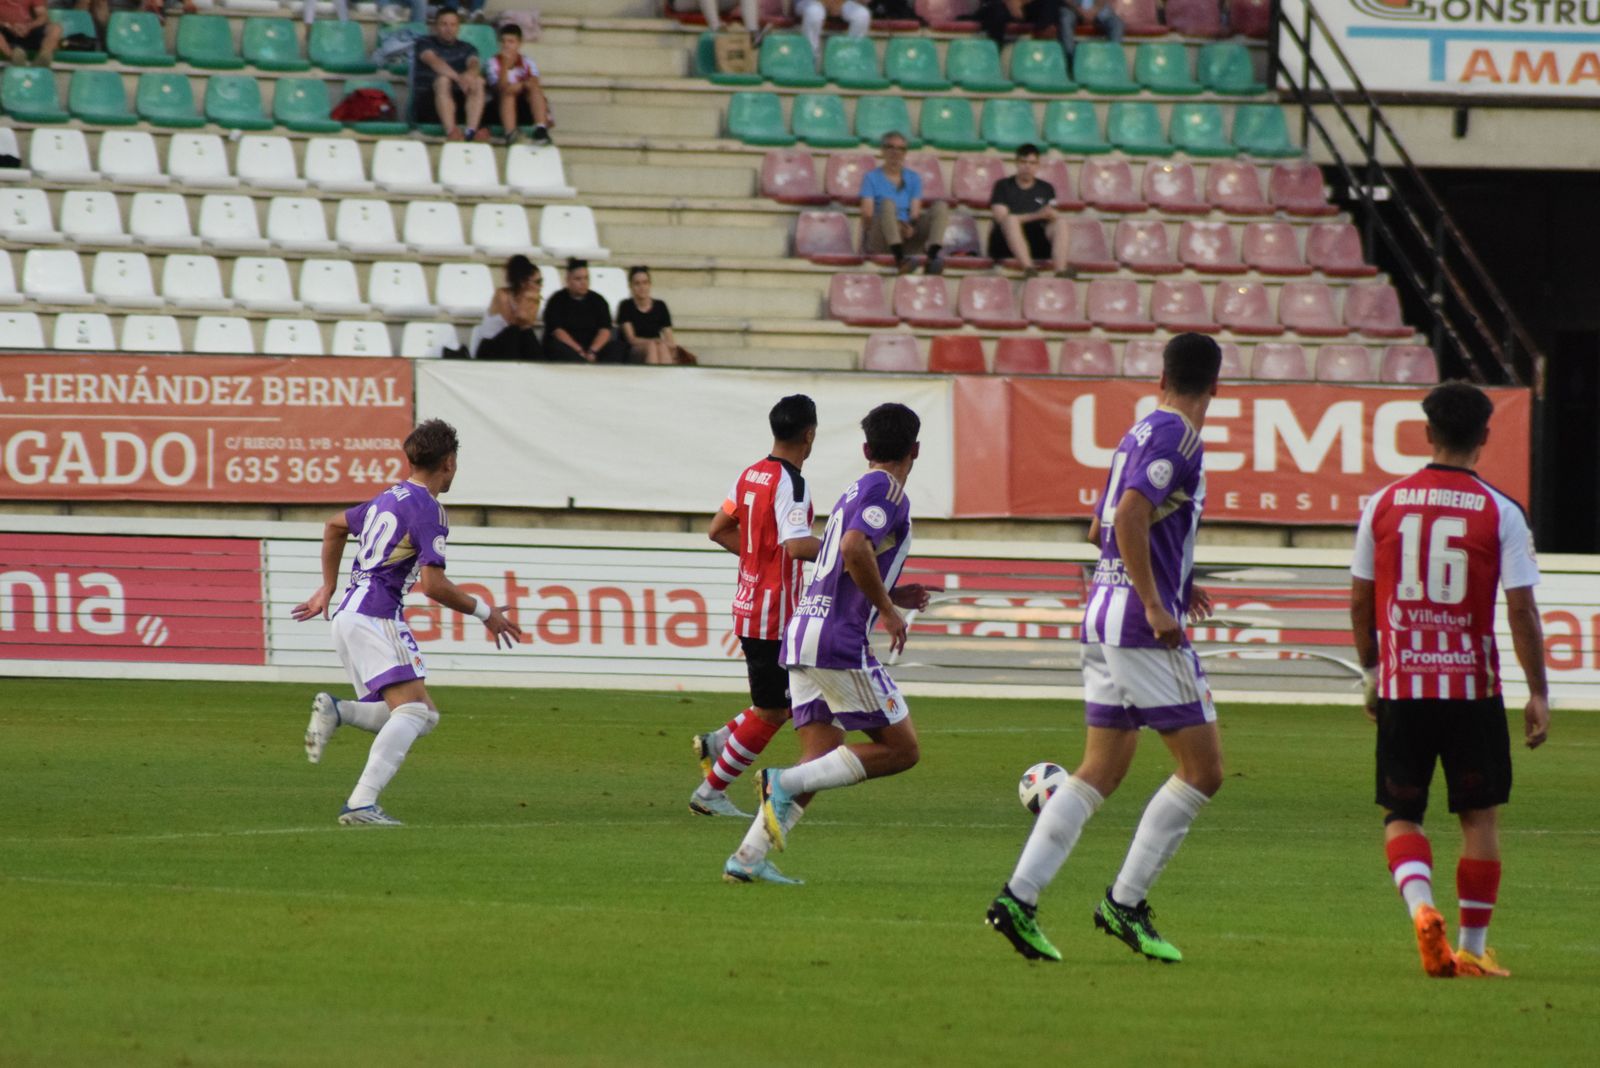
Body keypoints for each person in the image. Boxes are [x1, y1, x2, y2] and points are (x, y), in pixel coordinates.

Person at [987, 333, 1223, 964]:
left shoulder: (1140, 432)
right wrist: (1154, 600)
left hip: (1101, 614)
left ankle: (1019, 898)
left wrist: (1176, 577)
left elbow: (1101, 525)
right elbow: (1128, 518)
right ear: (1217, 387)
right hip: (1138, 625)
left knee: (1100, 770)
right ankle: (1124, 903)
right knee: (1202, 771)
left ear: (1161, 374)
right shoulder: (1180, 438)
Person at [1350, 382, 1549, 979]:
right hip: (1472, 690)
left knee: (1402, 816)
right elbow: (1521, 610)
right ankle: (1471, 946)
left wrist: (1370, 671)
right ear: (1485, 438)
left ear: (1427, 433)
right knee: (1479, 818)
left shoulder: (1383, 503)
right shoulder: (1501, 511)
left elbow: (1360, 599)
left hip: (1404, 688)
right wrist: (1538, 690)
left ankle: (1420, 908)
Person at [724, 403, 934, 884]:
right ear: (915, 450)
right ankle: (782, 782)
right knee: (903, 751)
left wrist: (890, 591)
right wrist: (885, 608)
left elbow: (844, 557)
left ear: (865, 449)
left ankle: (748, 857)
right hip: (837, 642)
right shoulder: (888, 490)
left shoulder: (855, 489)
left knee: (821, 758)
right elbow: (854, 547)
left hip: (803, 635)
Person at [293, 420, 522, 826]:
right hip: (375, 615)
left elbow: (334, 526)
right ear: (449, 463)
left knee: (419, 713)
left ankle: (338, 711)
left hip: (349, 613)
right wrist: (487, 613)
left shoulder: (389, 497)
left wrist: (327, 587)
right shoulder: (428, 510)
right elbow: (434, 586)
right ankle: (361, 803)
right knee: (415, 713)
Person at [690, 395, 822, 827]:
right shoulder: (792, 483)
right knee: (774, 711)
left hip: (750, 604)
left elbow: (717, 529)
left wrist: (753, 561)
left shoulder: (751, 474)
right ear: (809, 434)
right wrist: (843, 549)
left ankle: (718, 742)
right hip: (775, 615)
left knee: (777, 704)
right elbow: (798, 545)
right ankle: (711, 790)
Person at [860, 132, 949, 276]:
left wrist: (911, 227)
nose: (895, 152)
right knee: (887, 204)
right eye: (890, 147)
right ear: (883, 150)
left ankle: (931, 258)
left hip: (905, 235)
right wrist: (893, 225)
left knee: (941, 207)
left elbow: (915, 213)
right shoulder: (871, 177)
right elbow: (868, 215)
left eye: (901, 149)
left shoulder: (913, 178)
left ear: (905, 153)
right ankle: (899, 259)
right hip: (881, 235)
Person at [988, 143, 1071, 278]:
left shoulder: (1046, 188)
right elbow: (1000, 217)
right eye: (1023, 162)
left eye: (1032, 163)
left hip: (1036, 241)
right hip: (1006, 244)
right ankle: (1029, 268)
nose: (1027, 166)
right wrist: (1036, 215)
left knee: (1060, 222)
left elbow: (1052, 213)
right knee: (1010, 220)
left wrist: (1052, 215)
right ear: (1016, 163)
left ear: (1038, 165)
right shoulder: (1002, 186)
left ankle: (1060, 270)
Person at [412, 7, 489, 142]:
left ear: (458, 27)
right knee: (443, 80)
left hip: (458, 103)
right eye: (444, 24)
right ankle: (451, 131)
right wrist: (459, 78)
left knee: (478, 81)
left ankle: (471, 130)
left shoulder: (468, 48)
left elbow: (474, 64)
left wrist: (469, 75)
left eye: (453, 24)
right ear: (435, 26)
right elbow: (434, 62)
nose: (449, 29)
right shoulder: (424, 43)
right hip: (429, 103)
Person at [977, 0, 1122, 64]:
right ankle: (1070, 57)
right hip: (1072, 7)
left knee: (1117, 23)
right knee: (1064, 17)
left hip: (1093, 7)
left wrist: (1094, 10)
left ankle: (1113, 58)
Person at [542, 259, 623, 364]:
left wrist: (592, 351)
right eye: (578, 279)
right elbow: (558, 331)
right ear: (568, 280)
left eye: (586, 278)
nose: (583, 282)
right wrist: (579, 351)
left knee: (617, 347)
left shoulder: (598, 300)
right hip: (569, 348)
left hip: (593, 349)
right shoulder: (557, 300)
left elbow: (605, 330)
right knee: (555, 347)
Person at [487, 22, 551, 147]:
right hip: (498, 107)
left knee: (535, 89)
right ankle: (510, 134)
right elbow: (500, 88)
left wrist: (519, 86)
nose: (506, 45)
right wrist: (504, 66)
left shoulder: (527, 62)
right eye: (503, 41)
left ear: (519, 44)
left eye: (511, 42)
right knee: (508, 94)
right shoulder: (493, 62)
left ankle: (541, 129)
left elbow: (534, 81)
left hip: (523, 106)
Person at [471, 254, 544, 360]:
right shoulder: (501, 294)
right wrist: (525, 298)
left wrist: (530, 299)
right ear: (523, 282)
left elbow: (527, 324)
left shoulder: (534, 298)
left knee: (527, 332)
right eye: (538, 282)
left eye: (541, 281)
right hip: (491, 346)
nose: (541, 286)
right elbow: (514, 320)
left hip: (514, 344)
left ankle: (540, 365)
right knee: (513, 330)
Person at [616, 267, 683, 365]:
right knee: (652, 346)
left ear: (650, 284)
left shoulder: (660, 306)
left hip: (658, 346)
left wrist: (663, 344)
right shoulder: (626, 306)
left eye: (645, 283)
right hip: (635, 350)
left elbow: (670, 339)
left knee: (662, 347)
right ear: (631, 286)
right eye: (637, 284)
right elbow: (631, 339)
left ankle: (665, 377)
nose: (642, 287)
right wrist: (654, 341)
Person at [795, 0, 870, 67]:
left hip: (842, 2)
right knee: (814, 13)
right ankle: (809, 60)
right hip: (809, 2)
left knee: (862, 15)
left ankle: (850, 60)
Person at [1, 0, 62, 67]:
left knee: (56, 28)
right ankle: (14, 57)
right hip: (5, 31)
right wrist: (7, 25)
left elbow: (43, 16)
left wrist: (28, 27)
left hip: (29, 29)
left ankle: (43, 58)